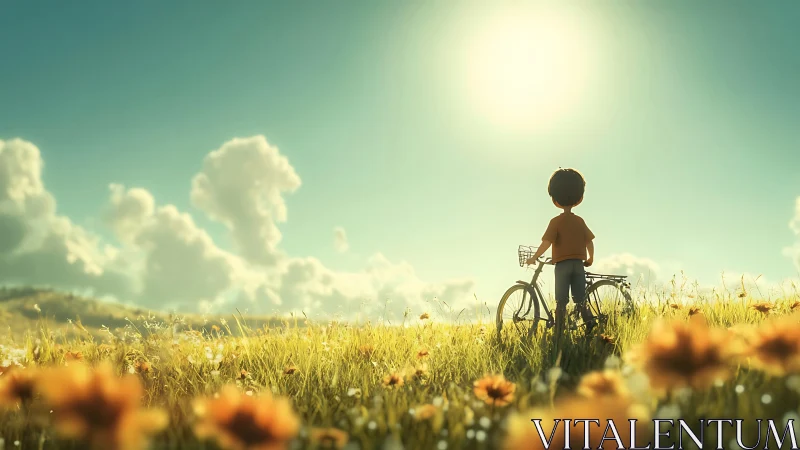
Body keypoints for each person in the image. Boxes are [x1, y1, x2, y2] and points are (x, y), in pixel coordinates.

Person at [526, 168, 596, 339]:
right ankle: (589, 323)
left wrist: (534, 257)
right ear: (579, 198)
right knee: (580, 298)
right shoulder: (579, 221)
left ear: (555, 200)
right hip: (578, 264)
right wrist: (590, 257)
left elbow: (546, 243)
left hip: (562, 265)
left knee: (561, 300)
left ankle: (558, 333)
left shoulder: (555, 222)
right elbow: (589, 241)